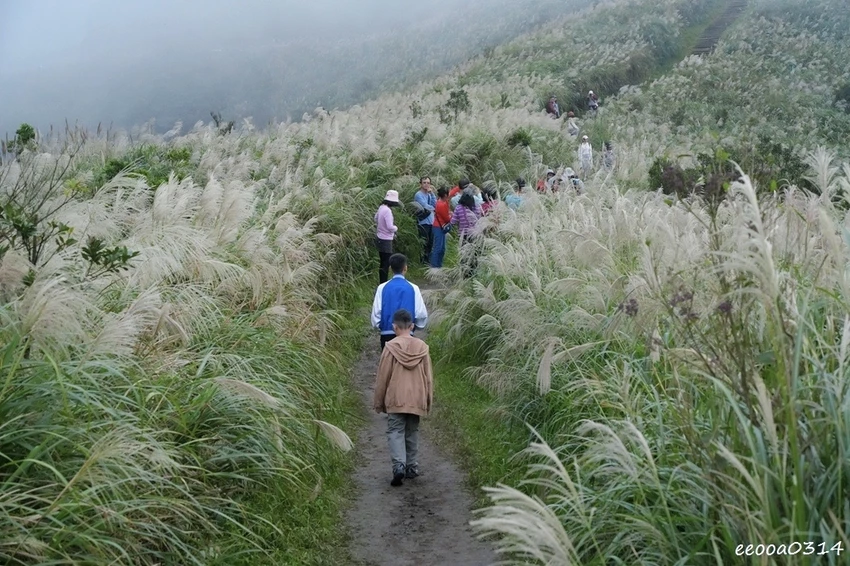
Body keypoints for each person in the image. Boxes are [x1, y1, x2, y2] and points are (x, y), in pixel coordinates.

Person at [373, 308, 434, 486]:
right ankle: (412, 466)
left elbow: (383, 377)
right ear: (412, 326)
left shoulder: (390, 348)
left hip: (396, 398)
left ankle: (398, 465)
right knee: (412, 431)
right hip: (417, 397)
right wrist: (428, 400)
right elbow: (428, 378)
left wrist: (379, 402)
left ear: (394, 327)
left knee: (395, 431)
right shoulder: (422, 348)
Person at [371, 253, 428, 351]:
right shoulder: (414, 288)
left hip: (387, 333)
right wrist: (415, 327)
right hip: (407, 333)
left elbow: (376, 314)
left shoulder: (382, 288)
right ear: (405, 268)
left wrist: (380, 326)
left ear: (390, 269)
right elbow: (421, 314)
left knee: (388, 363)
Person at [449, 192, 482, 278]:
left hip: (463, 235)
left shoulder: (458, 208)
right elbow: (480, 219)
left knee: (464, 255)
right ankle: (473, 273)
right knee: (474, 254)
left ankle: (464, 274)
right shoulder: (477, 207)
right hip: (475, 234)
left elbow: (453, 222)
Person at [375, 190, 400, 284]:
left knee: (382, 262)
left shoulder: (381, 207)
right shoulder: (388, 211)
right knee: (386, 263)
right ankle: (384, 282)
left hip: (379, 237)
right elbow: (390, 227)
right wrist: (396, 228)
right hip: (386, 239)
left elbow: (375, 218)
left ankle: (382, 282)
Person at [413, 176, 436, 265]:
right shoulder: (418, 195)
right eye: (424, 183)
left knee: (430, 242)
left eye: (428, 183)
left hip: (431, 221)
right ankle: (423, 260)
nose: (426, 184)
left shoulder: (429, 195)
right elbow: (425, 206)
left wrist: (432, 194)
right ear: (421, 184)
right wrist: (433, 208)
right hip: (423, 221)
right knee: (424, 242)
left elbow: (435, 204)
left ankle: (428, 260)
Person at [430, 186, 452, 268]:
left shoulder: (441, 202)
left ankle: (438, 266)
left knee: (441, 248)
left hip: (439, 226)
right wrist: (451, 216)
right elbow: (446, 218)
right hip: (439, 227)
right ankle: (435, 266)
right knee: (438, 248)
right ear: (445, 195)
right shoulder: (441, 204)